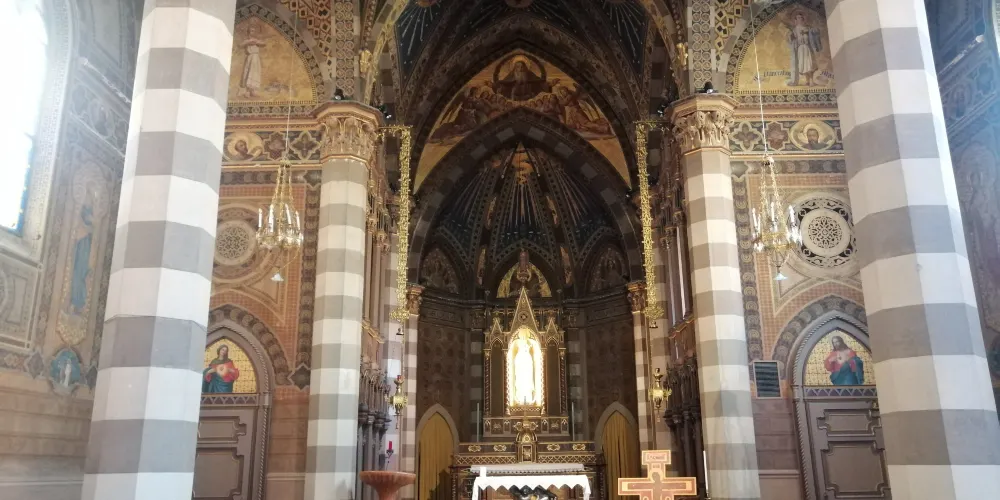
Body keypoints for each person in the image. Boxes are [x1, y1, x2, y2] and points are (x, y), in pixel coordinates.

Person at [787, 13, 822, 86]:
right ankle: (807, 80)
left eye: (801, 18)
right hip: (800, 49)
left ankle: (811, 81)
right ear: (796, 20)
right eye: (798, 18)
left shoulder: (808, 28)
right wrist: (791, 36)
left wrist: (813, 31)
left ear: (803, 19)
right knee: (803, 66)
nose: (799, 19)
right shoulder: (794, 30)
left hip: (807, 48)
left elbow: (813, 35)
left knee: (809, 64)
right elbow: (792, 40)